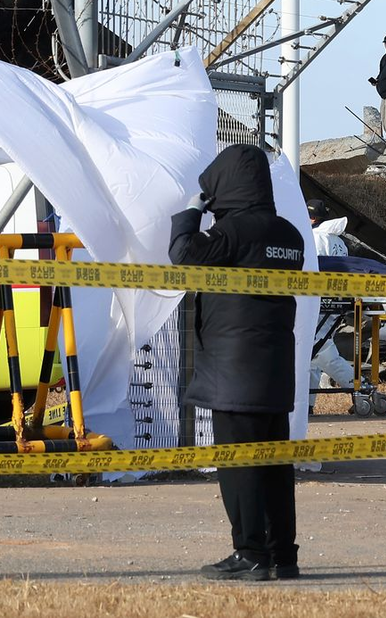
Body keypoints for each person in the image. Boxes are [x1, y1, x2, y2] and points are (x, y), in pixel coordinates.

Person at [169, 144, 306, 582]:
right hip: (275, 370)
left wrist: (191, 212)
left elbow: (183, 253)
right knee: (274, 466)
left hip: (234, 373)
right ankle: (283, 555)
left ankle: (249, 553)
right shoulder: (290, 236)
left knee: (239, 465)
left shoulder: (232, 234)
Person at [305, 199, 354, 399]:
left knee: (318, 349)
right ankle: (308, 402)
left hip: (319, 302)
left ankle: (359, 386)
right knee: (314, 350)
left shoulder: (315, 238)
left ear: (312, 218)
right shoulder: (339, 242)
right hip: (334, 303)